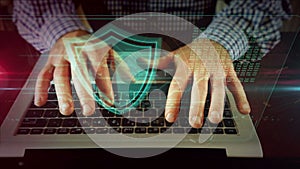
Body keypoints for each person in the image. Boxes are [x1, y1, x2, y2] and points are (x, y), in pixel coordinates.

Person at [12, 0, 291, 128]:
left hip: (196, 58)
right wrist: (66, 32)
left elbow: (265, 4)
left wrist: (218, 42)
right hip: (97, 53)